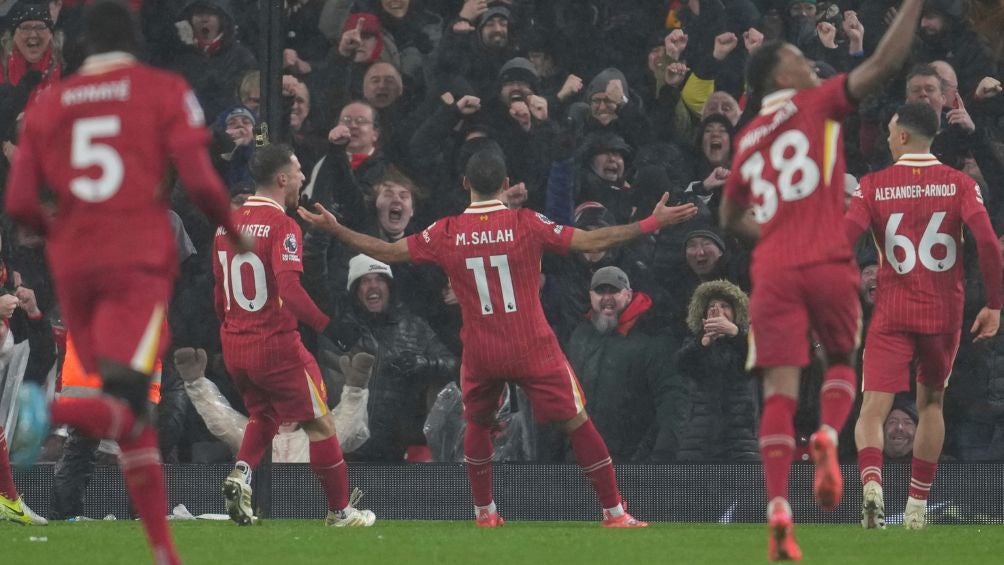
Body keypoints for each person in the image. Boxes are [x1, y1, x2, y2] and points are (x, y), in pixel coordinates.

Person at [299, 148, 697, 527]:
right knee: (578, 423)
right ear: (505, 182)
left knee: (478, 424)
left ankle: (485, 512)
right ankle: (613, 512)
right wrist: (652, 222)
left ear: (464, 183)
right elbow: (592, 240)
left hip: (482, 348)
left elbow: (386, 251)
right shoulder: (527, 223)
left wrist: (337, 229)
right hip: (531, 344)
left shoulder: (447, 231)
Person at [3, 3, 241, 563]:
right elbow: (201, 180)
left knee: (130, 422)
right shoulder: (161, 90)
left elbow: (18, 201)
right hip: (131, 271)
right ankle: (45, 413)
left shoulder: (52, 101)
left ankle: (160, 548)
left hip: (77, 271)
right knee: (132, 416)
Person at [719, 1, 925, 560]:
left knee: (781, 393)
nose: (811, 65)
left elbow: (727, 217)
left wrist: (769, 235)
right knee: (840, 361)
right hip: (828, 259)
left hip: (774, 269)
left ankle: (780, 508)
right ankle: (831, 436)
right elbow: (882, 65)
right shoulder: (819, 101)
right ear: (778, 74)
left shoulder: (747, 138)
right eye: (798, 58)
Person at [845, 102, 1002, 530]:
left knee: (873, 406)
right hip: (942, 313)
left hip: (892, 312)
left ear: (900, 136)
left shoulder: (872, 185)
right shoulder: (959, 184)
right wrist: (994, 305)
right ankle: (916, 506)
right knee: (931, 404)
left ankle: (872, 483)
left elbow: (843, 240)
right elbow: (988, 243)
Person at [213, 143, 375, 527]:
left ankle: (241, 472)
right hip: (276, 346)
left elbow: (219, 294)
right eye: (299, 170)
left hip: (235, 342)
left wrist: (232, 330)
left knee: (263, 413)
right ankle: (339, 511)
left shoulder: (226, 224)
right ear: (282, 178)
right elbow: (291, 291)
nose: (303, 178)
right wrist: (329, 326)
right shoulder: (283, 226)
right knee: (321, 423)